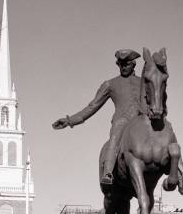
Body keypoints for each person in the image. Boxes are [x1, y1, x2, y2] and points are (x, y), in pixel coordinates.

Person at [52, 49, 142, 185]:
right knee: (116, 134)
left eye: (127, 64)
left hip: (142, 121)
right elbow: (92, 106)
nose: (123, 67)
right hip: (122, 121)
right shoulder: (110, 84)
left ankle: (180, 172)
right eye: (120, 64)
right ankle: (108, 173)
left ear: (134, 64)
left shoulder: (144, 82)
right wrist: (70, 120)